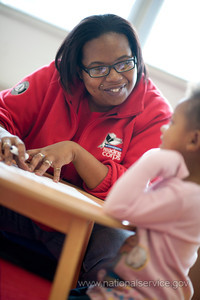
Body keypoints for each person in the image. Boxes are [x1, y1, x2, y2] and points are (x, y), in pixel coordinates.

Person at [0, 14, 171, 282]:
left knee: (124, 256)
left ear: (137, 58)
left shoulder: (157, 114)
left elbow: (135, 195)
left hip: (86, 228)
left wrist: (76, 153)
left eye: (125, 63)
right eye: (99, 69)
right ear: (79, 70)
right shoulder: (56, 77)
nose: (115, 77)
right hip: (23, 203)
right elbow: (3, 112)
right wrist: (3, 136)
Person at [75, 84, 200, 299]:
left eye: (172, 123)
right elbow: (135, 205)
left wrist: (151, 159)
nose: (164, 129)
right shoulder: (180, 188)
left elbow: (117, 207)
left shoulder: (186, 197)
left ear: (193, 140)